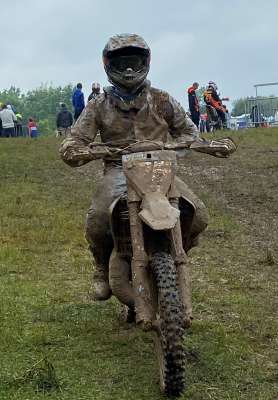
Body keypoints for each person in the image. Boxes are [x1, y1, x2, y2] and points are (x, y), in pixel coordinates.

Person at [60, 34, 236, 301]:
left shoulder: (162, 99)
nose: (129, 69)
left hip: (161, 169)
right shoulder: (99, 104)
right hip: (120, 168)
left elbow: (188, 131)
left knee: (198, 214)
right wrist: (75, 150)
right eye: (122, 63)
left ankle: (176, 249)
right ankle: (99, 266)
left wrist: (202, 144)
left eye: (134, 62)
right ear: (109, 65)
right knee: (97, 219)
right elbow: (76, 139)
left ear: (146, 62)